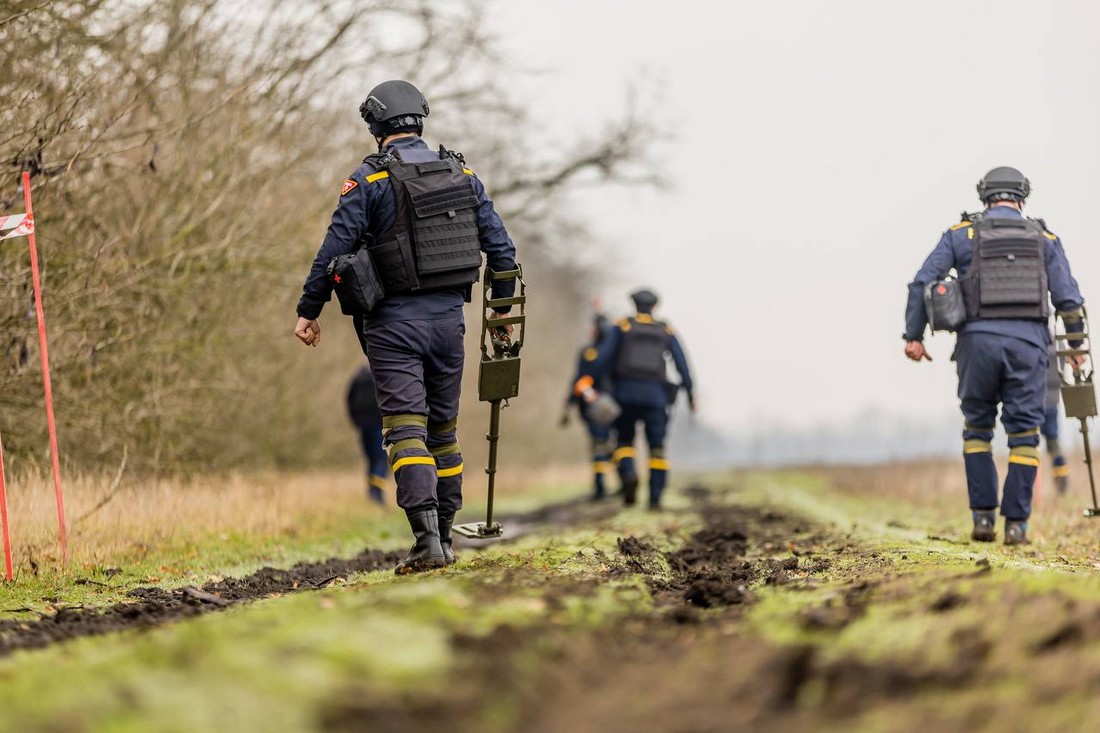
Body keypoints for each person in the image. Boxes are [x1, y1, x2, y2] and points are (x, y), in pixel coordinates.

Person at [294, 80, 517, 574]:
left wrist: (310, 309)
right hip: (449, 324)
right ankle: (447, 538)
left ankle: (427, 543)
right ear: (420, 118)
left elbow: (334, 251)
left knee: (403, 430)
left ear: (376, 126)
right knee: (444, 432)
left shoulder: (368, 180)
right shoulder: (463, 173)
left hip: (393, 324)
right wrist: (501, 312)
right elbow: (502, 250)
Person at [903, 166, 1085, 545]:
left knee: (977, 430)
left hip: (977, 346)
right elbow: (1069, 300)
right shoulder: (1045, 238)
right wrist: (1076, 349)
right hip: (1029, 348)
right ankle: (1016, 527)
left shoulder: (961, 234)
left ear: (984, 195)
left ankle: (983, 519)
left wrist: (914, 336)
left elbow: (922, 281)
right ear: (1023, 196)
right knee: (1023, 435)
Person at [577, 289, 694, 510]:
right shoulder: (665, 330)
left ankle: (629, 474)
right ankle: (655, 498)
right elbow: (682, 363)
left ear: (634, 304)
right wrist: (690, 392)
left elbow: (603, 358)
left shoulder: (623, 327)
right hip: (656, 397)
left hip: (625, 395)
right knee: (657, 447)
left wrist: (590, 380)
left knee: (623, 442)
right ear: (655, 307)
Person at [561, 313, 615, 500]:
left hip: (596, 406)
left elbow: (579, 379)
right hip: (611, 404)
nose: (589, 330)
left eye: (592, 327)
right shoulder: (613, 351)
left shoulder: (591, 352)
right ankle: (622, 481)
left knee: (600, 445)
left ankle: (600, 488)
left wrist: (569, 404)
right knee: (611, 445)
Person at [347, 364, 388, 504]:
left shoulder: (358, 377)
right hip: (379, 424)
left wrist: (355, 420)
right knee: (381, 459)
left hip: (363, 425)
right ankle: (377, 494)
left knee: (371, 459)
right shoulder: (382, 375)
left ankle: (372, 493)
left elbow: (349, 400)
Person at [1041, 343, 1070, 494]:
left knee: (1028, 440)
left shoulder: (1035, 340)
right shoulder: (1059, 345)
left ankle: (1060, 481)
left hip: (1035, 399)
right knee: (1053, 441)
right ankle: (1061, 482)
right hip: (1053, 401)